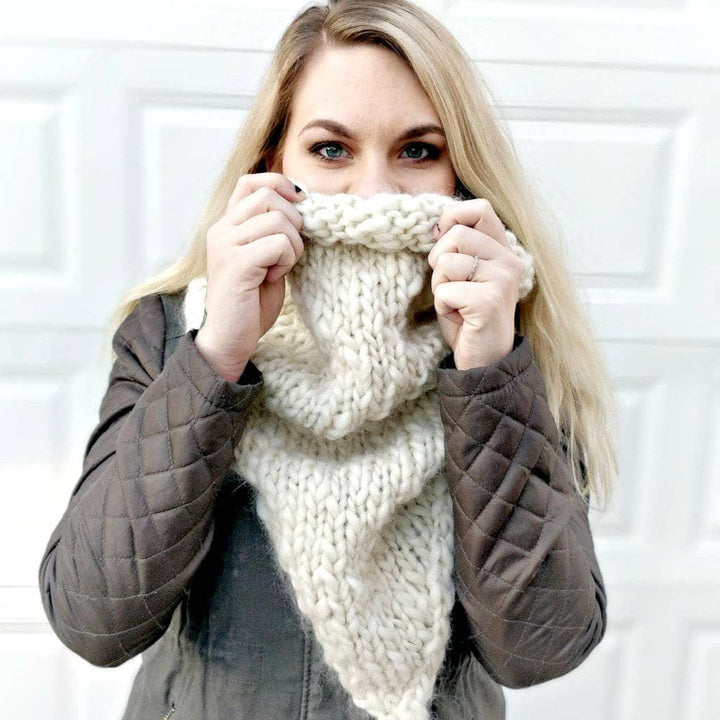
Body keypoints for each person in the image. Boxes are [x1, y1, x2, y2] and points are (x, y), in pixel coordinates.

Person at [37, 1, 618, 719]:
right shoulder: (168, 335)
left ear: (463, 178)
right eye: (332, 150)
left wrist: (489, 376)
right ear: (272, 164)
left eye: (418, 151)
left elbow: (540, 648)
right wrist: (217, 355)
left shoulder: (511, 352)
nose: (373, 194)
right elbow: (92, 617)